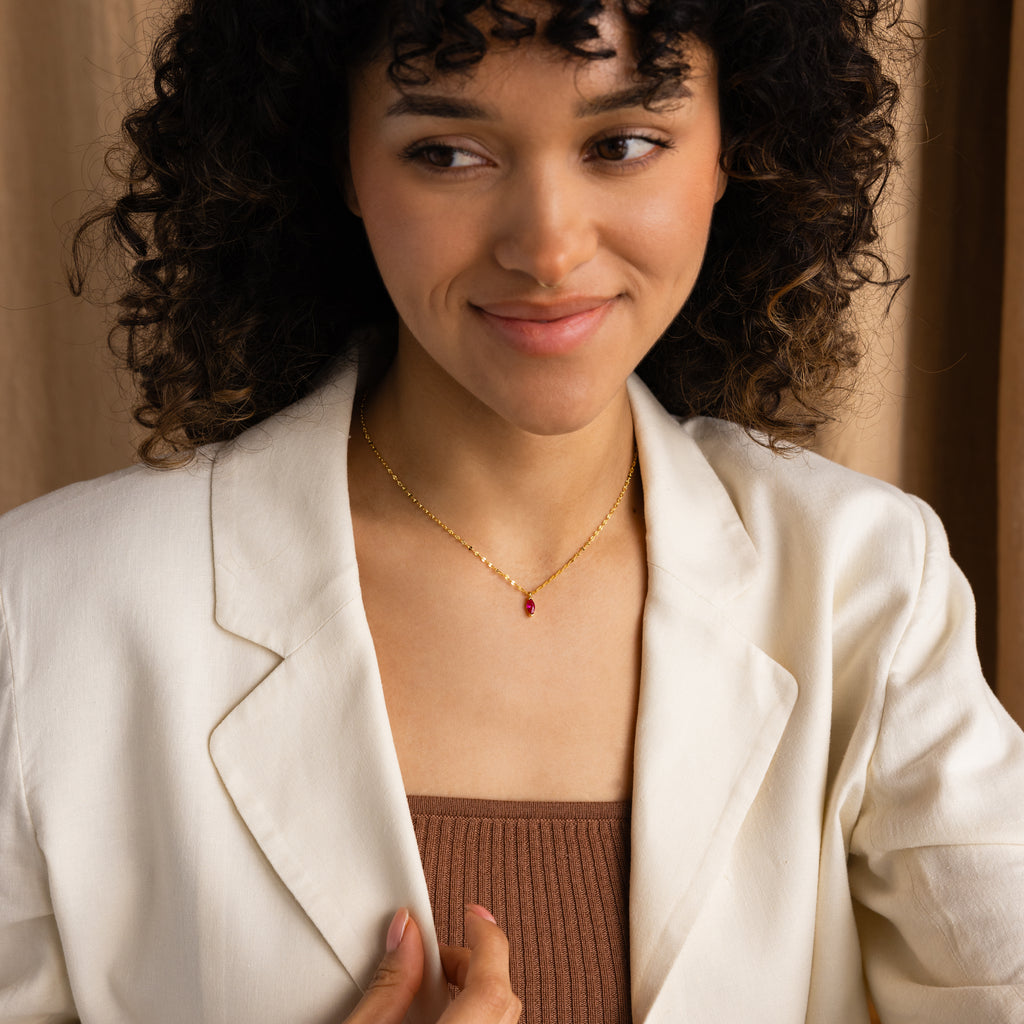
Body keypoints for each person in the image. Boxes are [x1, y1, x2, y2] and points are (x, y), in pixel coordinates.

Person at [1, 0, 1022, 1021]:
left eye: (622, 144)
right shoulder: (49, 606)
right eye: (446, 154)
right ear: (342, 159)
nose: (546, 247)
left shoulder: (864, 581)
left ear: (732, 149)